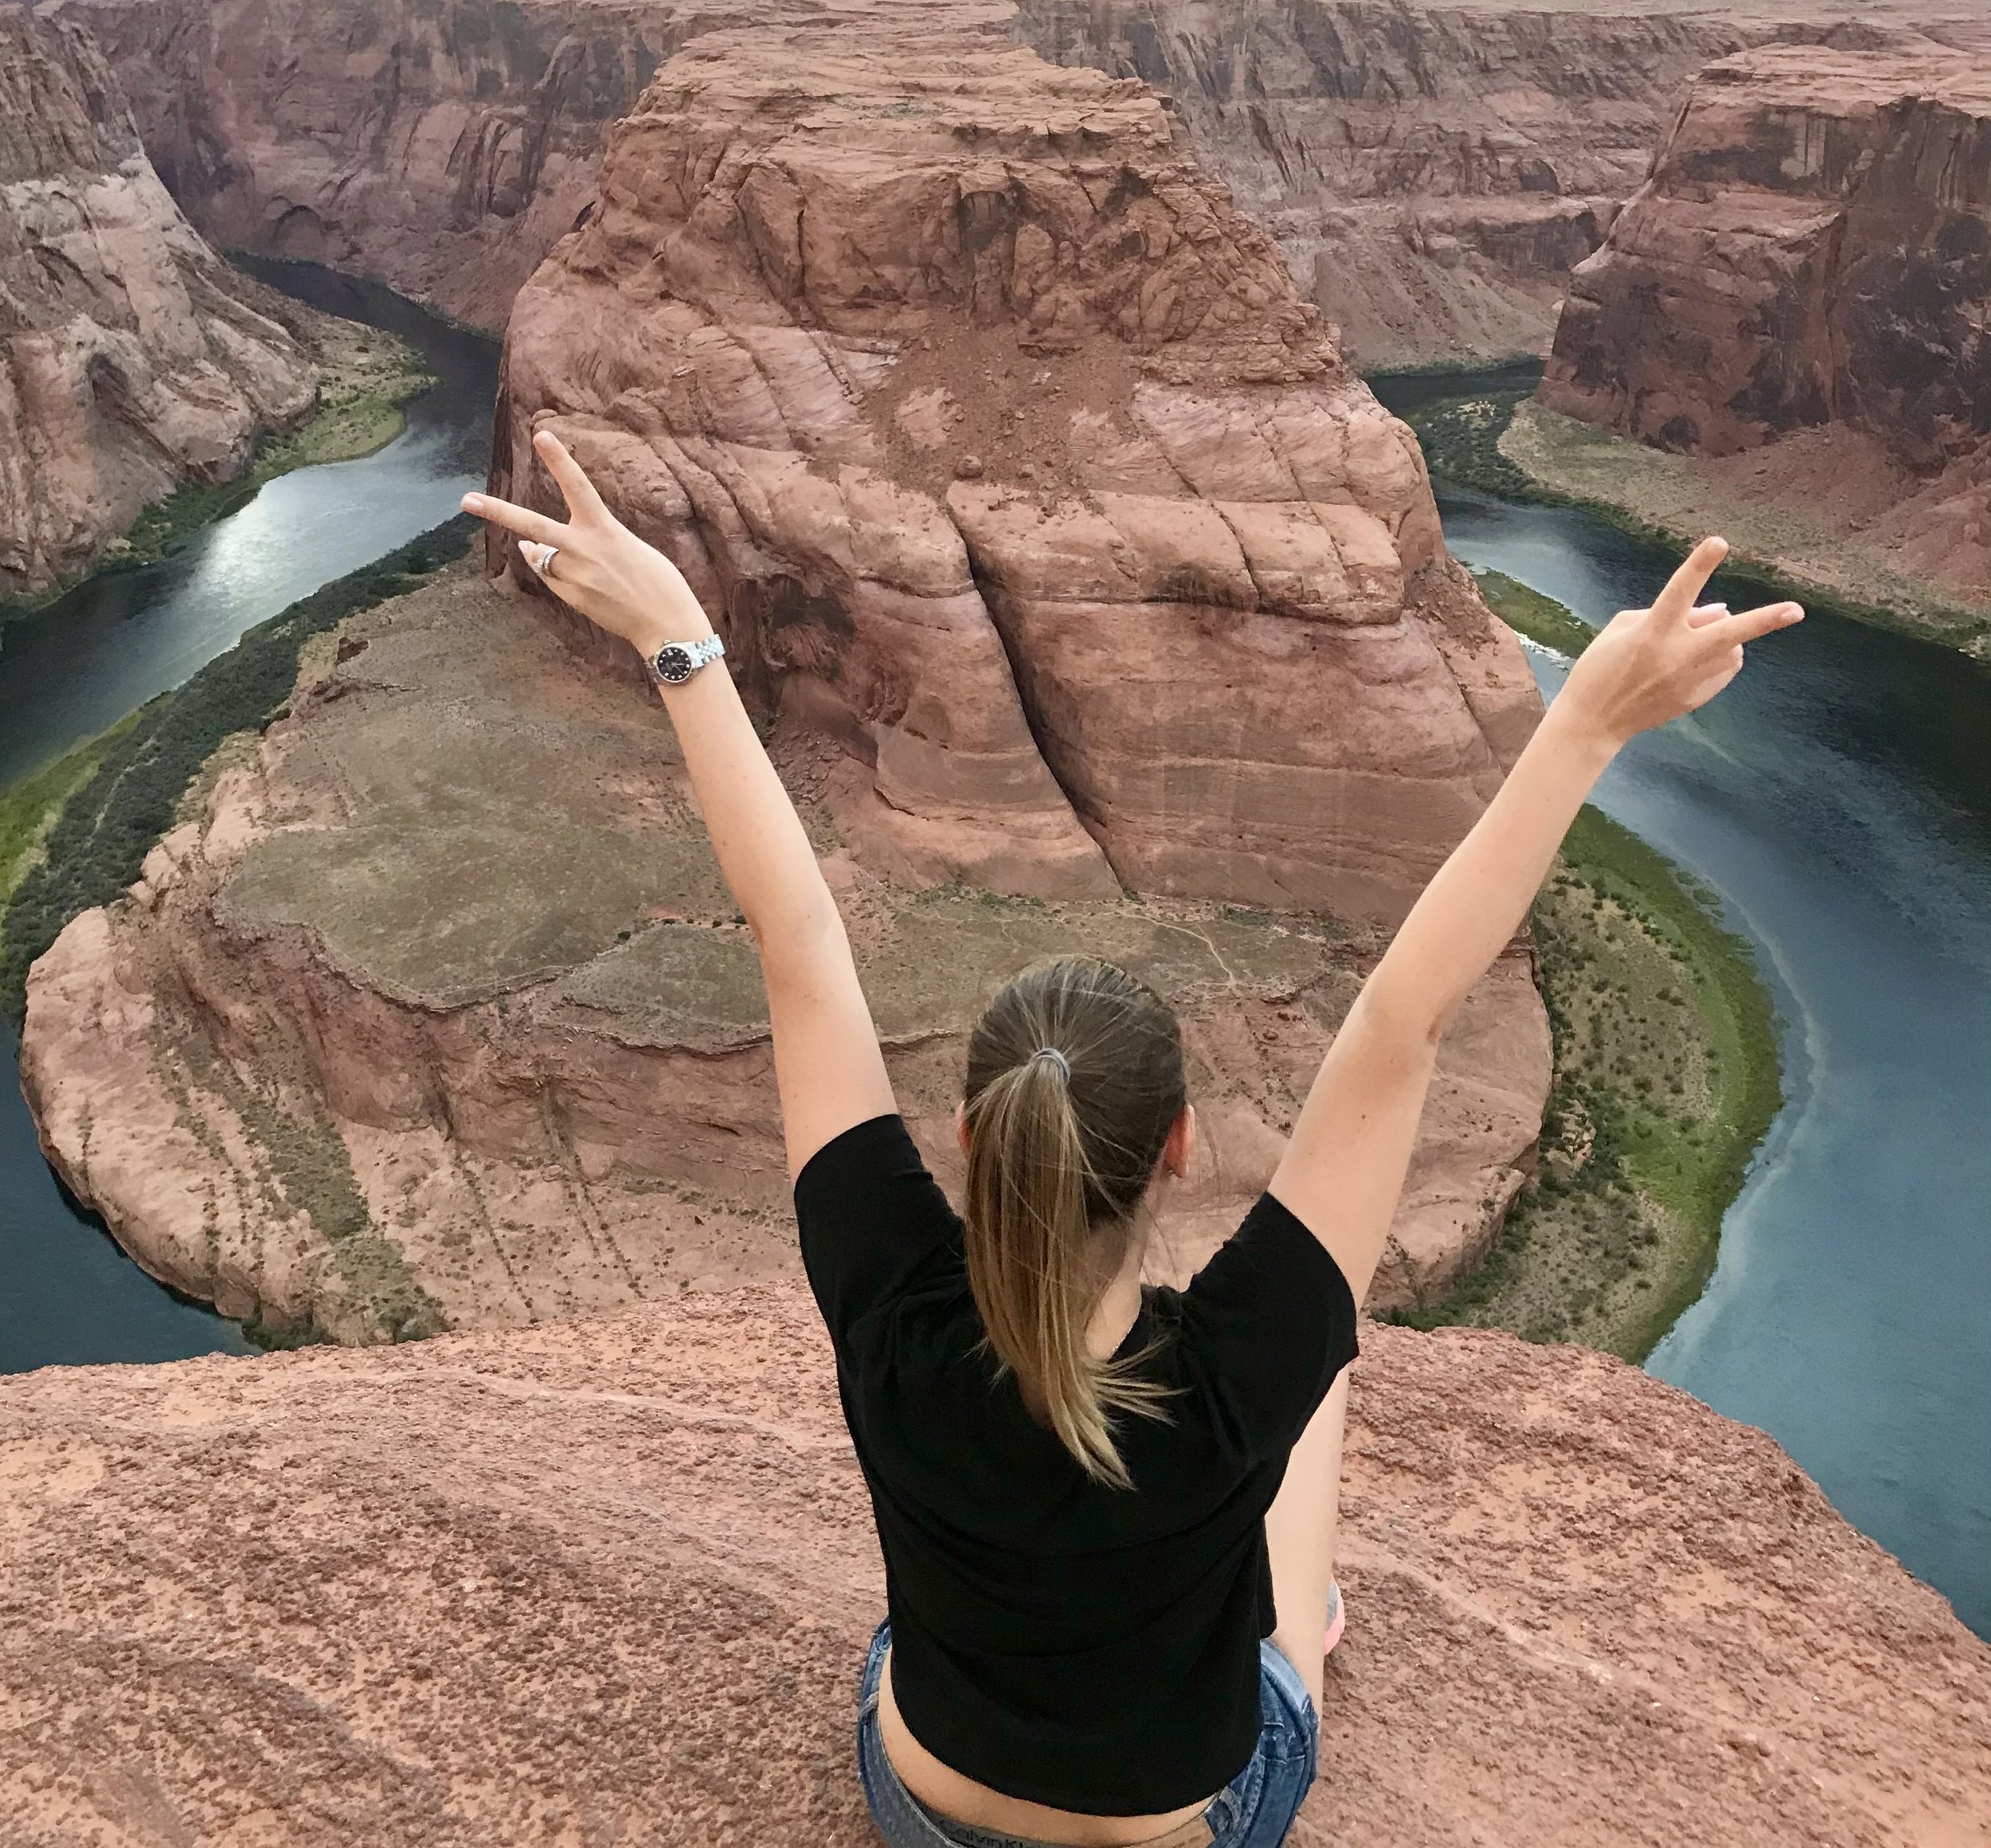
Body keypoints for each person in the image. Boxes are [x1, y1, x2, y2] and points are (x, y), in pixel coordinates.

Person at [465, 433, 1803, 1848]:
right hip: (1181, 1827)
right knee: (1321, 1391)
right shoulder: (1237, 1369)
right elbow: (1404, 1020)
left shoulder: (891, 1305)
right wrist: (1586, 723)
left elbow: (795, 941)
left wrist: (683, 641)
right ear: (1174, 1148)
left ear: (972, 1138)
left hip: (919, 1799)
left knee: (1229, 1416)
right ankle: (1309, 1633)